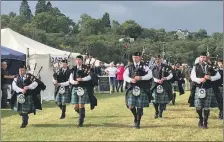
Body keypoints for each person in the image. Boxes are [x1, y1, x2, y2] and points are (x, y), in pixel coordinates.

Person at [190, 52, 221, 129]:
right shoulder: (195, 66)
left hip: (208, 88)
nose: (202, 59)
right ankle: (200, 118)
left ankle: (205, 122)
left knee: (206, 107)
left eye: (204, 57)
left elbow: (218, 76)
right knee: (198, 107)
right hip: (199, 87)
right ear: (199, 58)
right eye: (201, 57)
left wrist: (210, 78)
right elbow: (192, 77)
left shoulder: (211, 67)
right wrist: (199, 79)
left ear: (206, 58)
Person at [123, 52, 152, 129]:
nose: (135, 59)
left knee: (139, 106)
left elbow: (150, 75)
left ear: (140, 57)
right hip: (131, 87)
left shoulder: (145, 66)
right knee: (131, 105)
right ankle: (135, 116)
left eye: (136, 57)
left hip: (142, 88)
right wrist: (130, 80)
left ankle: (138, 122)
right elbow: (124, 76)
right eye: (134, 57)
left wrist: (141, 78)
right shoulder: (129, 67)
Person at [69, 55, 92, 127]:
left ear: (82, 60)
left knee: (81, 104)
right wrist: (74, 82)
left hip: (83, 87)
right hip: (75, 87)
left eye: (79, 60)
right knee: (76, 107)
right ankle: (82, 114)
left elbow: (90, 77)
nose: (78, 61)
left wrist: (82, 79)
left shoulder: (86, 68)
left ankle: (80, 122)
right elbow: (70, 78)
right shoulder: (73, 68)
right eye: (77, 60)